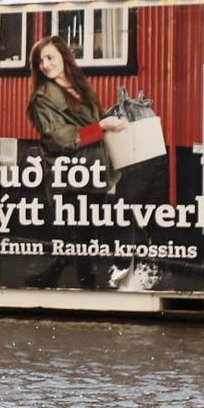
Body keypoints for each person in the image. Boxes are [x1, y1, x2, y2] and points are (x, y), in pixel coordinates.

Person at [25, 35, 126, 288]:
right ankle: (87, 290)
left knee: (87, 234)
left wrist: (113, 122)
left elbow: (98, 120)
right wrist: (101, 126)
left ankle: (49, 276)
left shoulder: (81, 87)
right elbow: (61, 138)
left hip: (96, 169)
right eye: (40, 61)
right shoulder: (42, 98)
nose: (45, 65)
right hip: (69, 174)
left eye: (49, 57)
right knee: (83, 236)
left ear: (64, 56)